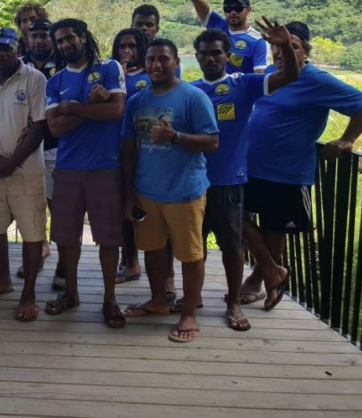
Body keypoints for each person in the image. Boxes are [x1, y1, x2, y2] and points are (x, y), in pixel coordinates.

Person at [241, 21, 362, 309]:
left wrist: (347, 140)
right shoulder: (271, 74)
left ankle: (262, 283)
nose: (282, 52)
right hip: (250, 165)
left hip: (288, 172)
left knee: (275, 228)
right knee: (232, 215)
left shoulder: (316, 79)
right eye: (277, 47)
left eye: (290, 46)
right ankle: (272, 271)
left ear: (305, 52)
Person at [191, 21, 299, 331]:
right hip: (194, 184)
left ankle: (234, 302)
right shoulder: (190, 91)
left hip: (229, 181)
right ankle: (193, 297)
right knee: (193, 246)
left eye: (217, 53)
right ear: (196, 57)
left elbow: (289, 76)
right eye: (204, 54)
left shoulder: (245, 84)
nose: (210, 58)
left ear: (228, 56)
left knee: (232, 248)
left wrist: (287, 46)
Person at [121, 38, 219, 343]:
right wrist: (128, 193)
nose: (156, 65)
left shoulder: (193, 97)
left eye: (163, 59)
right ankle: (158, 300)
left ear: (176, 62)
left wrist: (174, 136)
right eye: (151, 59)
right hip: (147, 192)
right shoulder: (137, 100)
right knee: (152, 249)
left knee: (190, 255)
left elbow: (213, 141)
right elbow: (128, 148)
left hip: (184, 192)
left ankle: (188, 313)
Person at [44, 19, 127, 328]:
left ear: (83, 37)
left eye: (70, 38)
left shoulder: (109, 68)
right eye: (60, 41)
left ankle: (110, 300)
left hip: (105, 166)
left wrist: (73, 108)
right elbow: (54, 127)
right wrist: (88, 104)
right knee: (67, 238)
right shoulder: (55, 81)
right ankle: (71, 294)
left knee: (108, 239)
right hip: (68, 168)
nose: (66, 44)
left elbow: (115, 110)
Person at [0, 27, 48, 322]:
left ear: (18, 48)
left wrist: (12, 161)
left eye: (7, 48)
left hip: (26, 172)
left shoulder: (35, 79)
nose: (2, 54)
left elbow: (40, 126)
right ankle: (3, 279)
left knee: (32, 234)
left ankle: (28, 293)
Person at [19, 18, 62, 286]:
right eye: (34, 35)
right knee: (31, 202)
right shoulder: (17, 64)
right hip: (25, 146)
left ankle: (63, 262)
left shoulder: (65, 63)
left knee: (57, 204)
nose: (39, 40)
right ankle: (39, 249)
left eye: (44, 35)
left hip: (56, 145)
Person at [111, 27, 151, 283]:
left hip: (146, 152)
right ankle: (130, 260)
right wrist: (118, 79)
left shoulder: (150, 76)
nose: (128, 51)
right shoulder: (111, 74)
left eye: (133, 46)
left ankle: (159, 270)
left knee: (146, 207)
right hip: (116, 150)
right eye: (123, 46)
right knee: (121, 207)